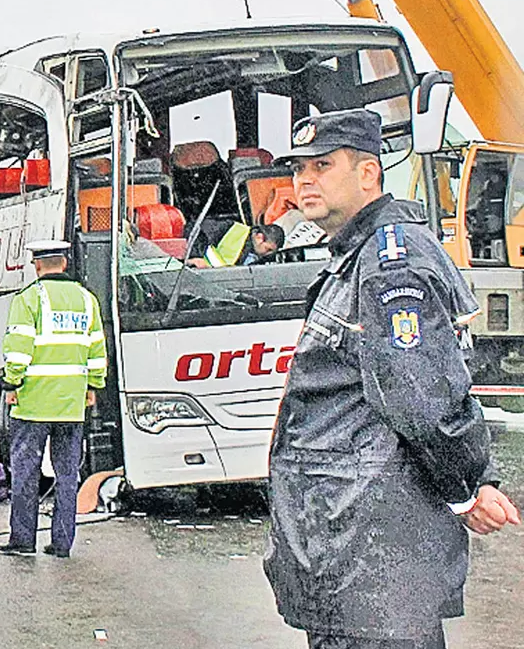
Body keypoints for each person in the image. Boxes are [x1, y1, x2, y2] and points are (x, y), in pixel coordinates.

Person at [264, 109, 521, 649]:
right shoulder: (359, 256)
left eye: (322, 165)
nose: (304, 180)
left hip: (374, 555)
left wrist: (465, 488)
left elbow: (420, 395)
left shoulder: (389, 265)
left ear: (368, 173)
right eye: (299, 168)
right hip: (353, 547)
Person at [0, 240, 107, 559]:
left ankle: (23, 540)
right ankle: (62, 543)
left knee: (26, 472)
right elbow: (96, 350)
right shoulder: (87, 300)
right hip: (71, 404)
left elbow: (19, 350)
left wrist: (11, 383)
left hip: (33, 404)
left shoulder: (28, 299)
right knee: (67, 474)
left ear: (37, 265)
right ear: (64, 263)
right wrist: (93, 385)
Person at [187, 222, 284, 268]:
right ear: (259, 238)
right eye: (268, 249)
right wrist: (197, 257)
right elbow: (196, 230)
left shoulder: (259, 260)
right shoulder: (232, 228)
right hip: (194, 270)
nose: (267, 254)